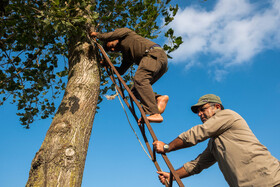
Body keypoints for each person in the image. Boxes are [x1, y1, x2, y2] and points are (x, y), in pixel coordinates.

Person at [153, 94, 280, 187]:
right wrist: (172, 176)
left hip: (271, 180)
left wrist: (167, 147)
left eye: (203, 109)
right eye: (198, 111)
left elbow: (198, 133)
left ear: (217, 107)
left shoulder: (227, 115)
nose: (199, 114)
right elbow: (197, 164)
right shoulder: (214, 143)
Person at [90, 28, 169, 123]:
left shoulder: (126, 33)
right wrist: (108, 66)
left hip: (154, 54)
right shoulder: (128, 54)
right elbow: (121, 70)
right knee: (135, 91)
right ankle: (158, 98)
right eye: (111, 50)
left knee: (140, 79)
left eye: (111, 45)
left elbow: (109, 35)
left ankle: (155, 114)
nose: (113, 49)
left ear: (115, 39)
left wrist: (97, 35)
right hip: (158, 62)